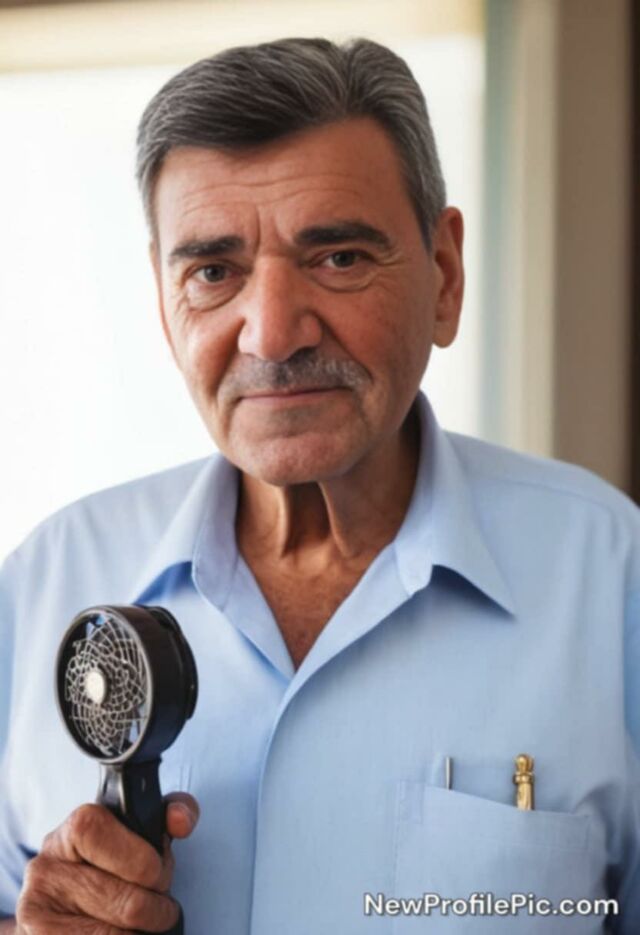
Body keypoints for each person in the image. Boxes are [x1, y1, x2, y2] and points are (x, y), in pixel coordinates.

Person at [0, 36, 639, 934]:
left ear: (445, 276)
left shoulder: (614, 581)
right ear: (163, 303)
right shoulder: (42, 583)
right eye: (213, 272)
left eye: (338, 257)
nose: (272, 334)